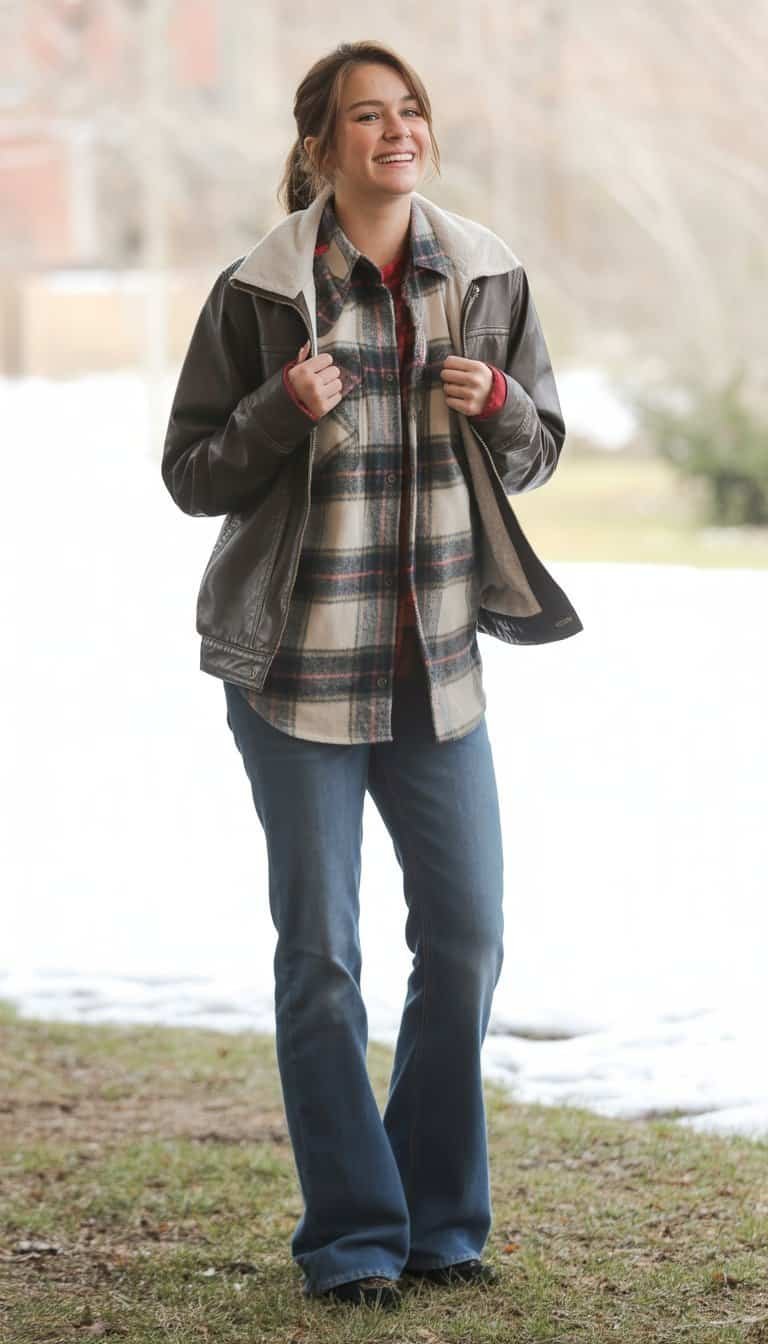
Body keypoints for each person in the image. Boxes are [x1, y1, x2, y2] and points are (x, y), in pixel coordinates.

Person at [161, 40, 582, 1313]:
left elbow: (542, 442)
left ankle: (441, 1221)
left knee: (465, 944)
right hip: (292, 677)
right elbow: (192, 473)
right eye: (366, 116)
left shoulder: (489, 274)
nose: (394, 132)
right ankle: (352, 1236)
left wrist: (501, 399)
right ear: (320, 145)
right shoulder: (261, 289)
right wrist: (279, 411)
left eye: (409, 113)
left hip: (435, 673)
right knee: (323, 958)